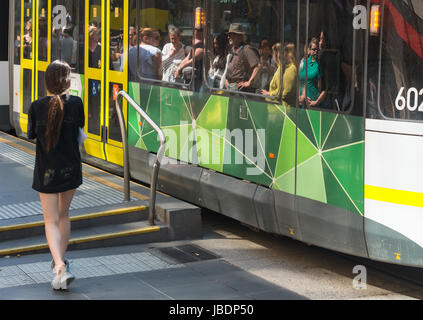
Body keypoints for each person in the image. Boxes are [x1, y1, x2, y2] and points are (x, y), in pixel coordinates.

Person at [27, 60, 84, 290]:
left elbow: (31, 135)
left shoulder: (36, 106)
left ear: (47, 81)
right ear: (68, 80)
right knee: (64, 215)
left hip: (46, 171)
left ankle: (59, 265)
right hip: (71, 168)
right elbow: (79, 128)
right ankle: (61, 265)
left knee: (50, 220)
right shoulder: (76, 103)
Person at [224, 23, 260, 93]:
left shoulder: (247, 49)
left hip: (242, 91)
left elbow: (258, 66)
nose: (228, 37)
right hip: (230, 88)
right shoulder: (233, 49)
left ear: (239, 37)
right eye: (229, 35)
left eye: (231, 35)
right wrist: (226, 81)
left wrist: (249, 82)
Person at [299, 38, 326, 108]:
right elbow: (301, 81)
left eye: (317, 49)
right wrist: (302, 96)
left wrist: (316, 102)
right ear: (309, 50)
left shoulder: (320, 65)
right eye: (314, 49)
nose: (316, 51)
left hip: (313, 103)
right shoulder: (304, 62)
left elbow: (324, 89)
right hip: (301, 102)